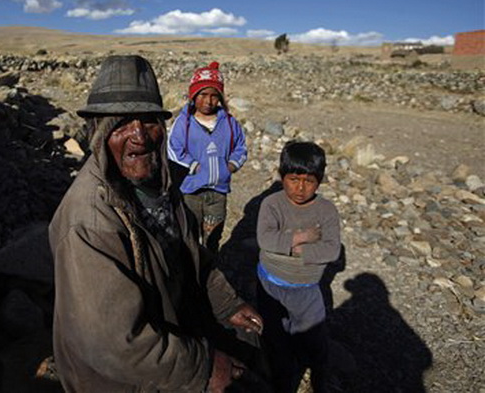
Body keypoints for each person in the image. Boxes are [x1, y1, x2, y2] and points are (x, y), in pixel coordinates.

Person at [49, 55, 264, 393]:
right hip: (121, 379)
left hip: (167, 334)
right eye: (121, 123)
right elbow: (114, 344)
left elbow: (191, 254)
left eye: (149, 120)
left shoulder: (161, 181)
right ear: (98, 133)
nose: (140, 136)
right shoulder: (89, 222)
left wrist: (227, 303)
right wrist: (203, 367)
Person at [255, 140, 341, 393]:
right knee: (276, 342)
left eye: (309, 181)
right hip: (270, 285)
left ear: (320, 180)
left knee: (313, 341)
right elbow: (265, 240)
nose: (301, 188)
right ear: (282, 176)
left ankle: (319, 378)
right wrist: (301, 239)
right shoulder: (271, 204)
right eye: (294, 179)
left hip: (306, 288)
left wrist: (293, 250)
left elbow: (332, 249)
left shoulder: (326, 210)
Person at [167, 61, 247, 252]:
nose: (209, 101)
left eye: (214, 96)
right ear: (194, 96)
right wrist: (192, 165)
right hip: (190, 191)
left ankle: (210, 270)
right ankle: (192, 275)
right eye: (203, 95)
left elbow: (241, 147)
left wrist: (230, 167)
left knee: (213, 238)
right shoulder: (183, 123)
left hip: (218, 192)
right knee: (190, 235)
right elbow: (173, 148)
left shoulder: (229, 123)